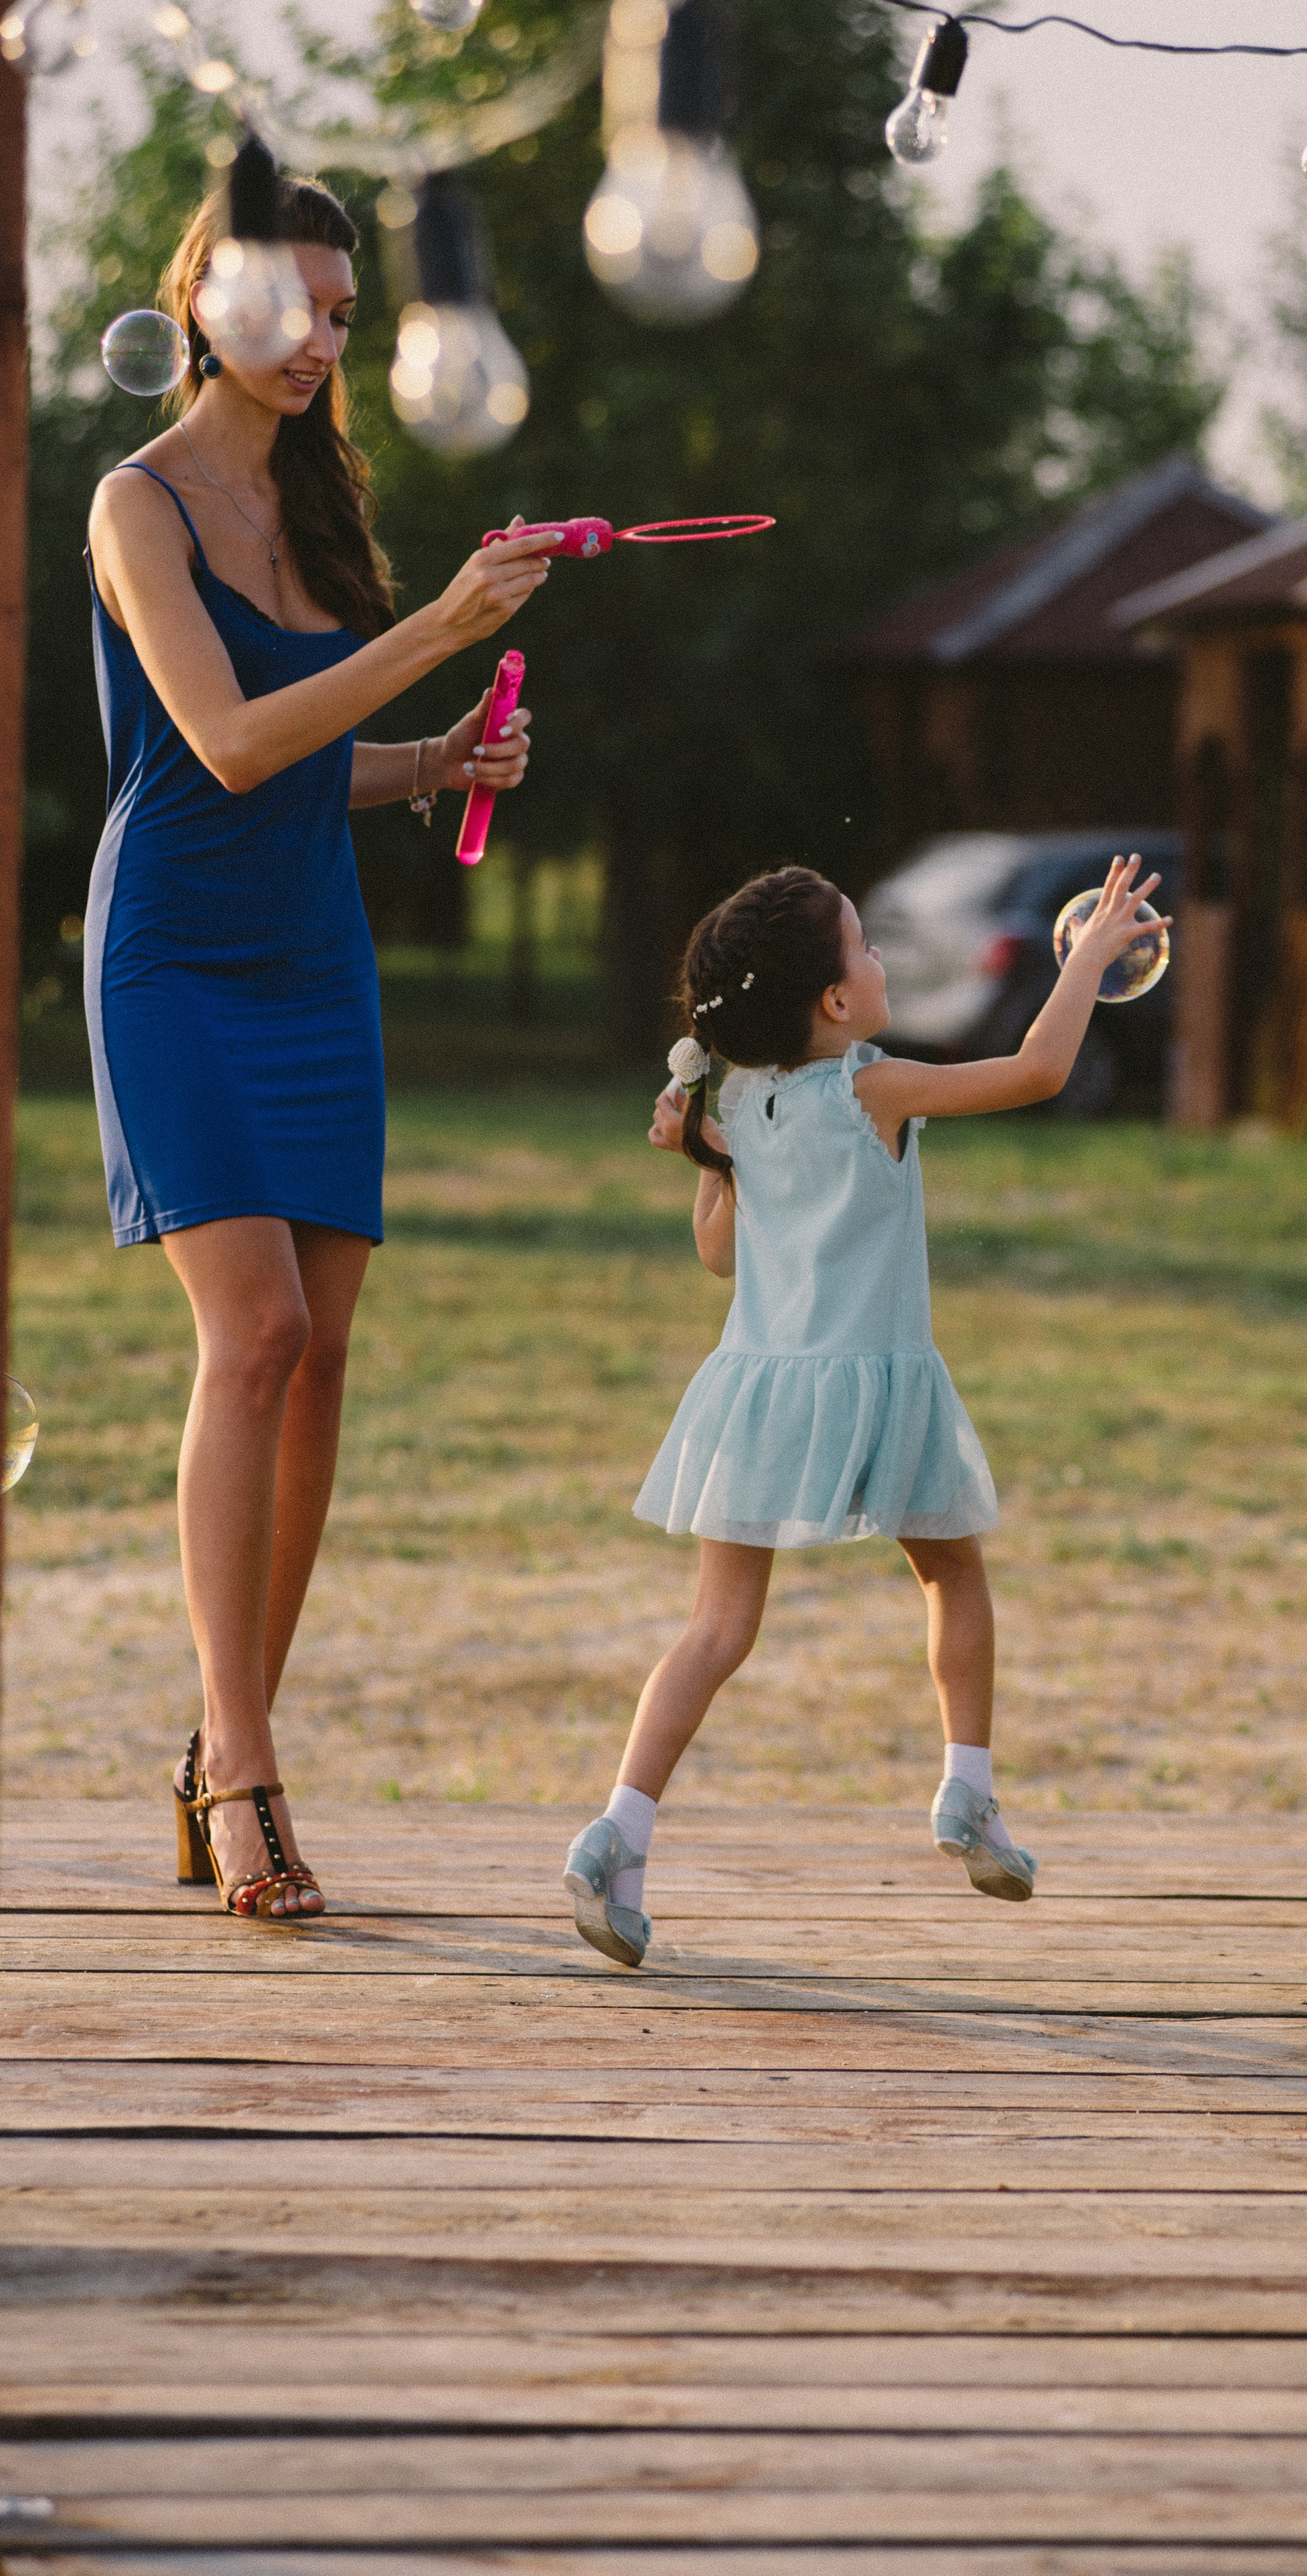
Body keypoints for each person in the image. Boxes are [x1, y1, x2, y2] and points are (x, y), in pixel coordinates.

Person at [84, 169, 558, 1922]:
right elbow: (217, 744)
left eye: (348, 316)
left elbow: (310, 755)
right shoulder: (139, 507)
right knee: (259, 1328)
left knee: (329, 1350)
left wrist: (432, 760)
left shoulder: (321, 494)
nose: (326, 343)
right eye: (296, 307)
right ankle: (244, 1761)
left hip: (314, 959)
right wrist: (437, 629)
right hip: (178, 961)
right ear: (207, 297)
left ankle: (228, 1730)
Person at [561, 855, 1165, 1968]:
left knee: (716, 1630)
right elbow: (1036, 1071)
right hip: (878, 1382)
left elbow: (715, 1256)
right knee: (953, 1574)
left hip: (757, 1387)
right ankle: (967, 1789)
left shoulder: (742, 1098)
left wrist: (707, 1161)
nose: (883, 960)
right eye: (867, 947)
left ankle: (620, 1829)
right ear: (837, 1002)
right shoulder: (871, 1088)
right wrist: (1081, 961)